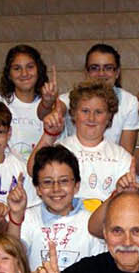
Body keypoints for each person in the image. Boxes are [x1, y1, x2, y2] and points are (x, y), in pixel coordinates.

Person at [43, 80, 132, 212]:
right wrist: (48, 135)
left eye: (98, 112)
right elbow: (32, 170)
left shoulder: (121, 157)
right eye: (85, 111)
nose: (91, 118)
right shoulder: (59, 150)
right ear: (73, 114)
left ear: (109, 117)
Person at [22, 145, 103, 270]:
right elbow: (14, 253)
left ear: (76, 185)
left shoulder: (90, 223)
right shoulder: (27, 218)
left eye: (64, 181)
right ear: (38, 188)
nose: (56, 189)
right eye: (48, 182)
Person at [0, 44, 64, 160]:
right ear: (9, 74)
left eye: (30, 67)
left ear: (38, 70)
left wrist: (50, 102)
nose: (24, 74)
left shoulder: (53, 104)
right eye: (17, 68)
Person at [65, 43, 139, 154]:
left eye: (108, 68)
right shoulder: (67, 99)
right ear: (86, 72)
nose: (101, 74)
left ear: (117, 72)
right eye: (94, 68)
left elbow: (126, 153)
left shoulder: (129, 102)